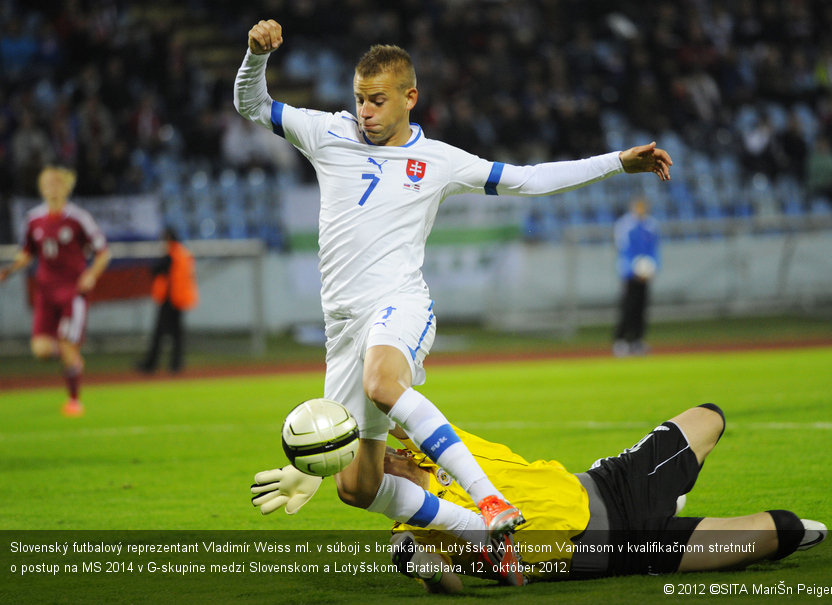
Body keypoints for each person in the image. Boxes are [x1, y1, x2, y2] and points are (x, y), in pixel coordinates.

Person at [236, 19, 673, 584]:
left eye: (377, 100)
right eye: (359, 100)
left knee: (382, 383)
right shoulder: (328, 133)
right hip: (342, 327)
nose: (364, 111)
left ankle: (489, 500)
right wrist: (254, 55)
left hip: (399, 304)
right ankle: (473, 529)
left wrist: (616, 161)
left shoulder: (438, 160)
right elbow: (253, 104)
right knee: (356, 486)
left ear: (409, 97)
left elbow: (528, 180)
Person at [251, 403, 827, 594]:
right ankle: (674, 511)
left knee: (709, 417)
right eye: (373, 462)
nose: (387, 457)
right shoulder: (413, 530)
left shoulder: (436, 446)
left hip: (609, 484)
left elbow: (379, 402)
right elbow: (443, 580)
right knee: (776, 532)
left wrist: (317, 455)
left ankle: (667, 498)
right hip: (612, 553)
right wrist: (421, 568)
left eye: (379, 449)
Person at [0, 165, 111, 416]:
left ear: (66, 186)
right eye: (48, 182)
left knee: (66, 343)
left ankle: (74, 400)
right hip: (45, 291)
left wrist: (91, 274)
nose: (53, 186)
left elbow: (103, 252)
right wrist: (9, 269)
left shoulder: (78, 218)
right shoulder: (33, 219)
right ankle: (73, 361)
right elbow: (27, 252)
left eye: (58, 182)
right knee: (40, 349)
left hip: (73, 291)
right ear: (41, 186)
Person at [136, 227, 199, 374]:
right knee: (177, 334)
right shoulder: (183, 253)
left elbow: (156, 270)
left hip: (170, 299)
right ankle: (175, 364)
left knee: (160, 333)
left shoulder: (172, 254)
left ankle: (151, 364)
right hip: (180, 298)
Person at [613, 197, 660, 357]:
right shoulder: (625, 226)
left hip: (645, 275)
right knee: (628, 307)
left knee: (642, 308)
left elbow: (654, 250)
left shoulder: (651, 225)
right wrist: (632, 270)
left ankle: (637, 340)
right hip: (630, 274)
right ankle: (621, 341)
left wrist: (652, 267)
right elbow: (624, 250)